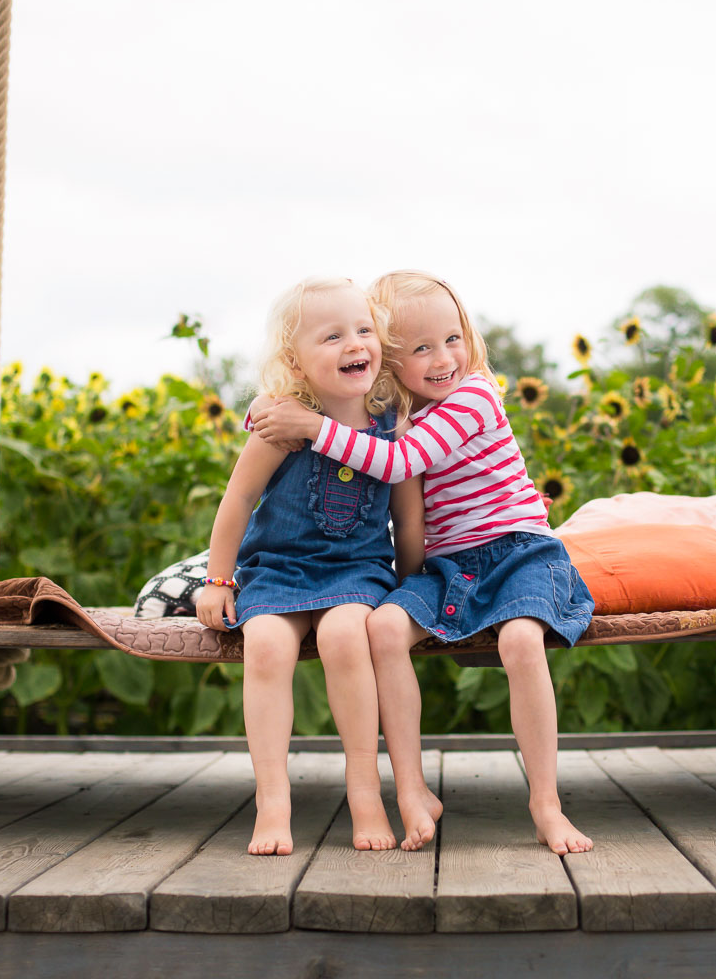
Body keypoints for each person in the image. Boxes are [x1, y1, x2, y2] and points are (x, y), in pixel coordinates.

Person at [250, 271, 595, 855]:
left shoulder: (475, 396)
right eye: (421, 348)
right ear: (389, 361)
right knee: (383, 626)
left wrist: (311, 427)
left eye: (453, 338)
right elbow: (332, 410)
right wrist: (275, 405)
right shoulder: (396, 410)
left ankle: (546, 803)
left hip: (519, 553)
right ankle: (411, 788)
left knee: (519, 642)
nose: (445, 358)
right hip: (450, 567)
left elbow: (399, 462)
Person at [197, 276, 424, 856]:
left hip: (358, 572)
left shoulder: (391, 424)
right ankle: (273, 800)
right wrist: (219, 579)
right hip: (278, 569)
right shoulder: (280, 423)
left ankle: (365, 790)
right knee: (267, 645)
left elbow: (408, 511)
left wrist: (414, 582)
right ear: (294, 363)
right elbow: (237, 501)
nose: (355, 344)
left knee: (349, 636)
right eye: (332, 336)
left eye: (364, 330)